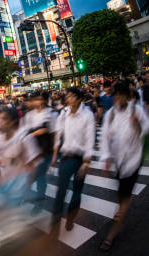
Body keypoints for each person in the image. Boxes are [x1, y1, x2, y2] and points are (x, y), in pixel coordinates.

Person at [99, 81, 149, 251]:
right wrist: (106, 157)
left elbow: (147, 130)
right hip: (118, 161)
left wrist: (137, 125)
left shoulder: (137, 111)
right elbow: (104, 137)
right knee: (121, 193)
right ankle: (122, 207)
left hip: (134, 159)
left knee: (125, 195)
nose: (117, 99)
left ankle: (111, 234)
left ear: (127, 97)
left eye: (120, 95)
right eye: (115, 95)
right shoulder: (110, 114)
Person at [51, 87, 95, 233]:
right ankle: (55, 226)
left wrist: (86, 162)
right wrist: (54, 154)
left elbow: (90, 140)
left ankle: (70, 220)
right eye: (67, 96)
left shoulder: (87, 115)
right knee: (60, 192)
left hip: (81, 158)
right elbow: (58, 134)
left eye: (71, 96)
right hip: (66, 158)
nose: (68, 98)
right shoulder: (64, 113)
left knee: (77, 191)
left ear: (78, 98)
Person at [22, 91, 56, 212]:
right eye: (35, 99)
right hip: (31, 151)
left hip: (45, 151)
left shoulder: (51, 113)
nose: (37, 102)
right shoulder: (29, 115)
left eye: (39, 99)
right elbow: (24, 133)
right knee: (31, 176)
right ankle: (28, 195)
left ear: (45, 100)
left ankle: (39, 203)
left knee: (39, 177)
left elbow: (53, 134)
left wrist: (54, 155)